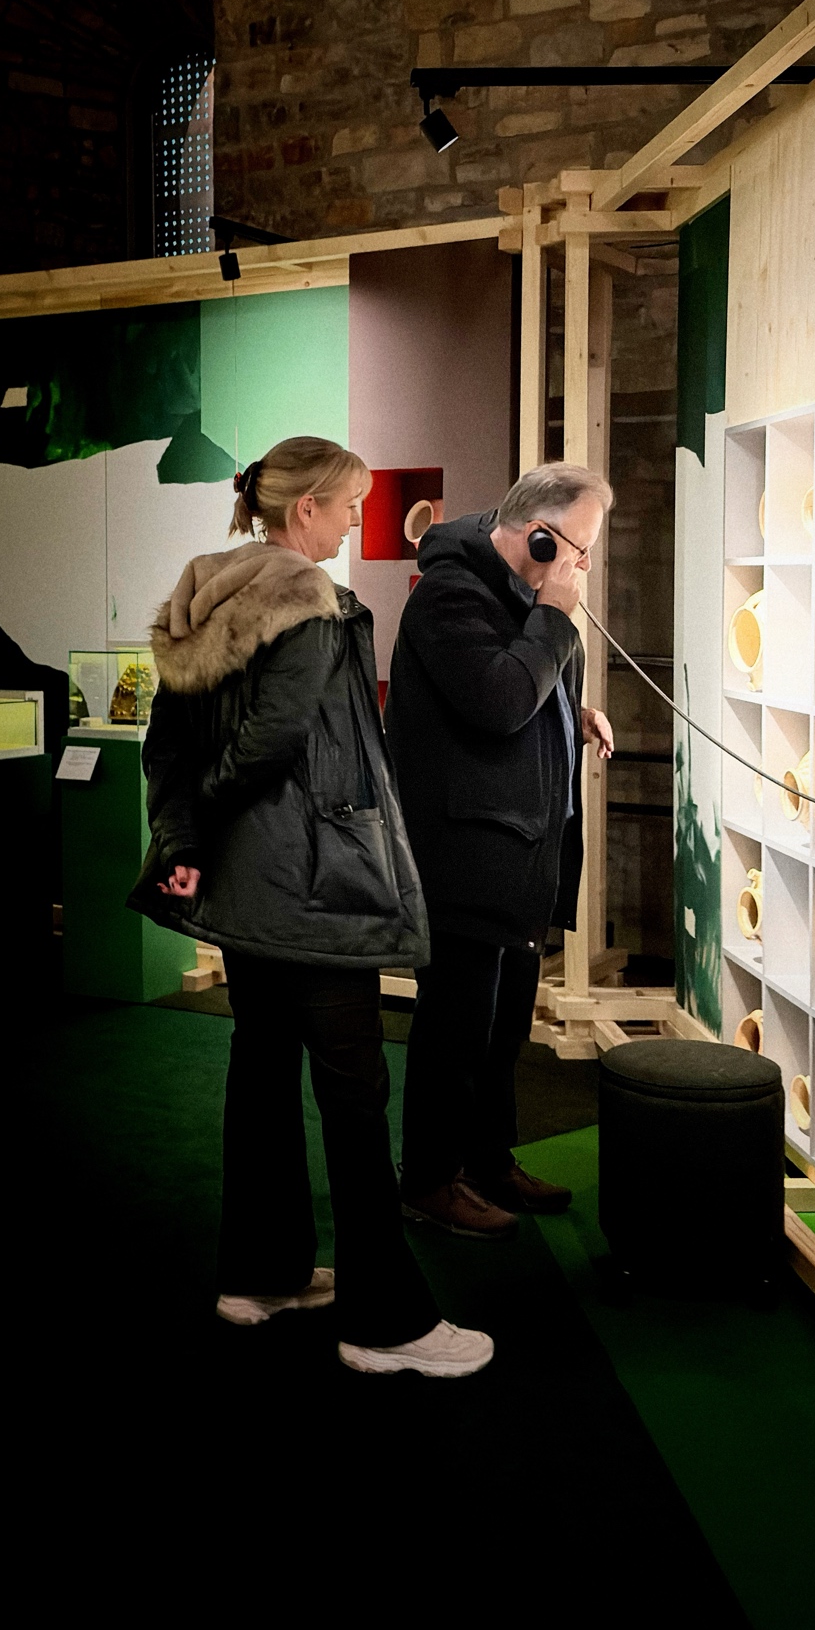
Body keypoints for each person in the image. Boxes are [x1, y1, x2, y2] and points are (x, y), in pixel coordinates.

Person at [128, 434, 492, 1378]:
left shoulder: (205, 597)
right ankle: (387, 1323)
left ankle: (261, 1276)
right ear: (305, 510)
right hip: (318, 885)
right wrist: (218, 809)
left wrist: (192, 837)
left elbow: (167, 748)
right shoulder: (314, 607)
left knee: (260, 1068)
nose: (356, 524)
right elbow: (272, 740)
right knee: (355, 1093)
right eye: (348, 507)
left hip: (246, 891)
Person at [386, 463, 615, 1240]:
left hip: (519, 849)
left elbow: (522, 687)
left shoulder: (520, 592)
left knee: (504, 1023)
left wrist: (574, 710)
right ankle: (429, 1178)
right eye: (579, 548)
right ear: (539, 536)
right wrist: (553, 615)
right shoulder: (450, 596)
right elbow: (496, 699)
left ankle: (486, 1158)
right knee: (455, 1027)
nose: (584, 565)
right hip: (466, 855)